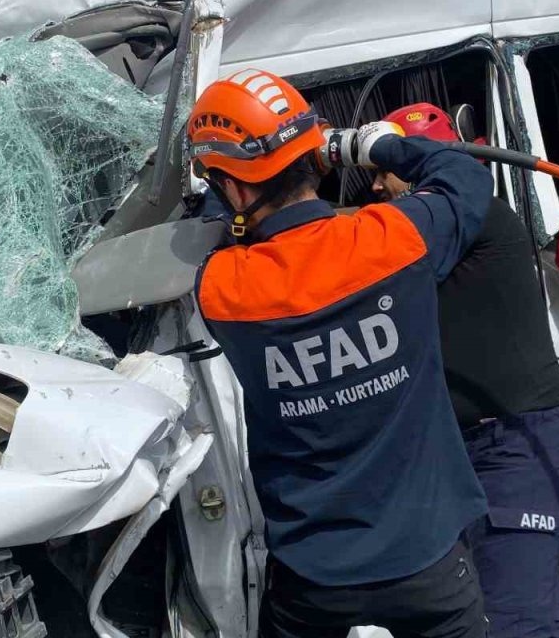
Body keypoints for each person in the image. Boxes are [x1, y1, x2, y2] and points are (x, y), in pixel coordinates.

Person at [188, 69, 493, 637]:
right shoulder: (393, 238)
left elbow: (206, 230)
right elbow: (464, 177)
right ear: (314, 155)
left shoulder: (224, 289)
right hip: (427, 558)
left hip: (315, 574)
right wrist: (375, 146)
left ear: (233, 187)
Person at [372, 102, 559, 638]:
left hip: (515, 445)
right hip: (463, 452)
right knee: (493, 610)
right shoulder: (421, 234)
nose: (375, 187)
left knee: (518, 616)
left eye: (385, 171)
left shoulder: (481, 219)